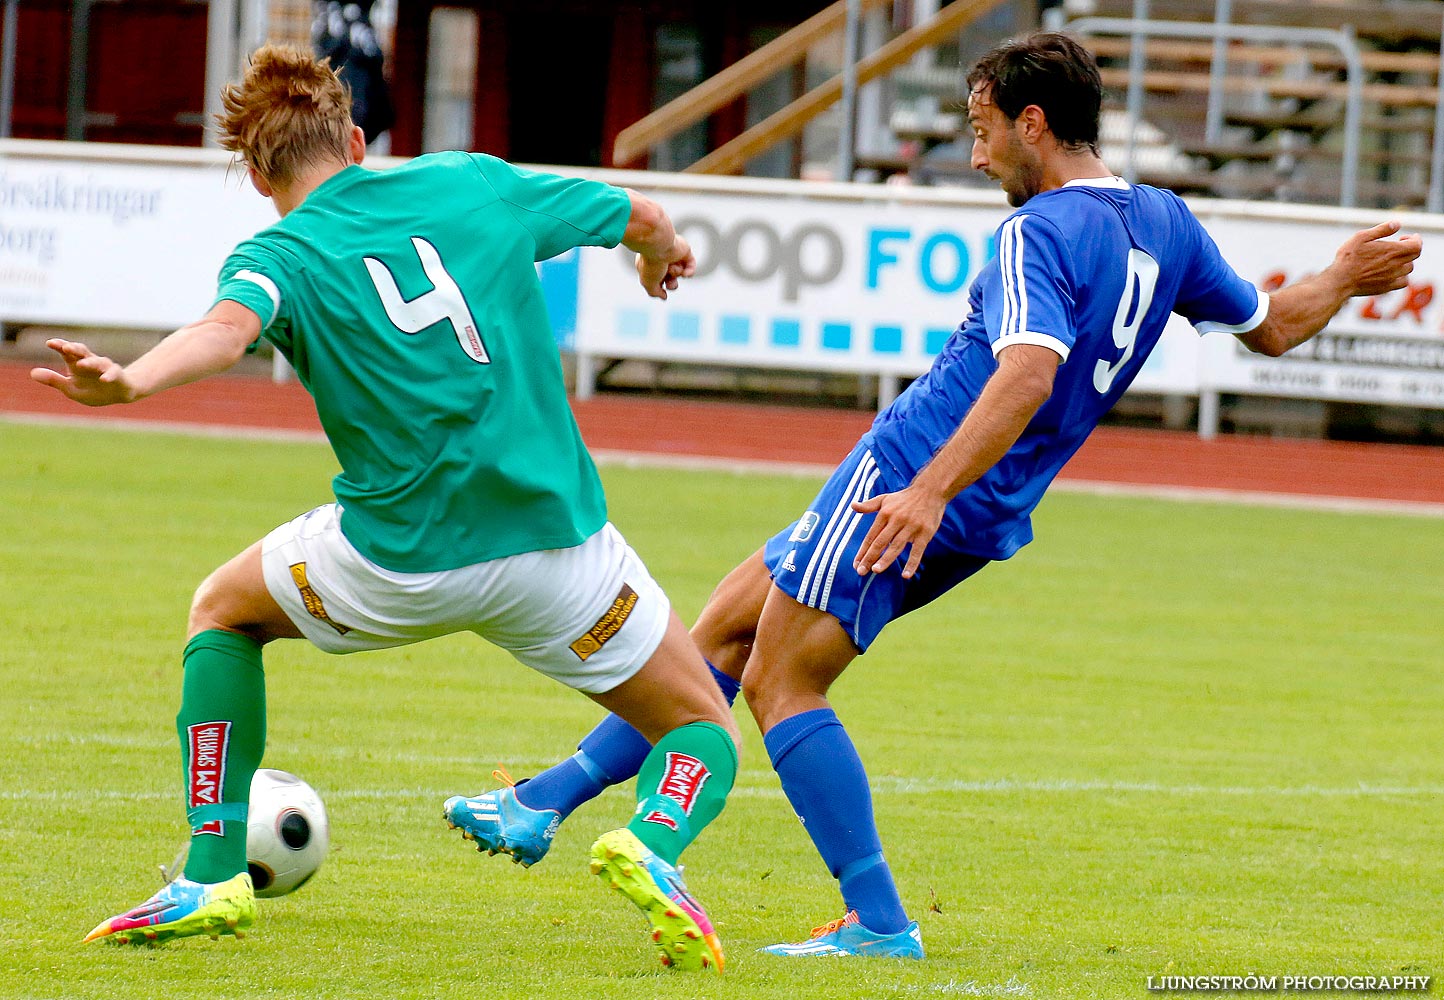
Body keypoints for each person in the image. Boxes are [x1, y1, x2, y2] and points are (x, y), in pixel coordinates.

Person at [443, 31, 1423, 959]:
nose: (975, 150)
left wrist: (921, 489)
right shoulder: (1163, 221)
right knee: (723, 628)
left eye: (981, 125)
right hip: (990, 503)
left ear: (1032, 122)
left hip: (910, 478)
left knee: (782, 681)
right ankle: (542, 800)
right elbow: (1273, 329)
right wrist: (1340, 274)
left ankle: (846, 906)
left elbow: (1027, 371)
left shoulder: (1035, 232)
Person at [33, 44, 740, 973]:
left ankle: (210, 873)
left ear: (256, 175)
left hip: (393, 566)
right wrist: (662, 256)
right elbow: (642, 215)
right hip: (558, 561)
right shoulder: (473, 184)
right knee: (700, 729)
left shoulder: (277, 251)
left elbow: (223, 331)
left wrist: (131, 382)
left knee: (221, 612)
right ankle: (651, 839)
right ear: (359, 140)